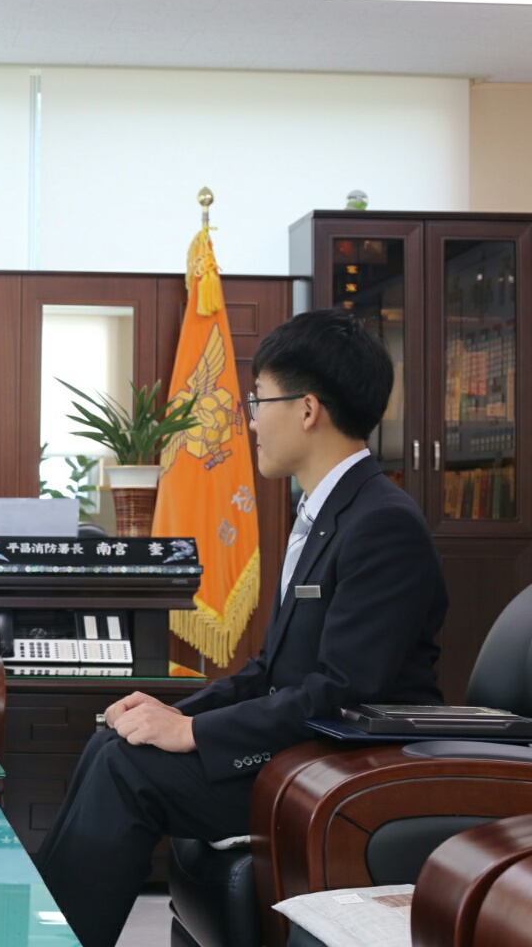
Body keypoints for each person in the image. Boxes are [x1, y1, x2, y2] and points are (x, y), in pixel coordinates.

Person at [34, 309, 447, 947]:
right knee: (113, 743)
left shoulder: (382, 522)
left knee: (126, 771)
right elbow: (269, 673)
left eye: (258, 401)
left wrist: (194, 733)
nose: (249, 420)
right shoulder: (326, 513)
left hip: (342, 769)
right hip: (301, 746)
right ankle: (42, 934)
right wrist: (172, 715)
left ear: (307, 410)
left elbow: (340, 691)